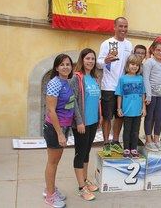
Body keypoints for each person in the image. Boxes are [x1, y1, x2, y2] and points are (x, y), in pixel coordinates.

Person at [96, 17, 133, 157]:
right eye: (120, 26)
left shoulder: (130, 45)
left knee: (120, 116)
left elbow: (132, 63)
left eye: (125, 26)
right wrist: (105, 60)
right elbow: (98, 63)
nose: (123, 29)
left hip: (124, 87)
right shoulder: (107, 43)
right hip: (109, 86)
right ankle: (106, 143)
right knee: (107, 117)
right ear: (114, 27)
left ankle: (116, 141)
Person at [43, 54, 75, 208]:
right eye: (62, 64)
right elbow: (51, 111)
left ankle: (50, 189)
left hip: (64, 126)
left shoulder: (66, 82)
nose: (65, 67)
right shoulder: (54, 83)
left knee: (55, 161)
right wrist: (60, 133)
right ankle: (49, 196)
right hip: (55, 128)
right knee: (52, 162)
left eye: (68, 64)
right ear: (56, 67)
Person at [70, 48, 101, 201]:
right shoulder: (77, 78)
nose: (90, 61)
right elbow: (73, 100)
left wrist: (99, 117)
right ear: (82, 60)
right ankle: (81, 187)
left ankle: (85, 180)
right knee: (80, 153)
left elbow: (97, 100)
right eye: (87, 58)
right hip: (82, 123)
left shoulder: (94, 78)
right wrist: (79, 121)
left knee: (87, 152)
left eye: (93, 59)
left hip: (93, 122)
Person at [115, 54, 146, 158]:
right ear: (128, 65)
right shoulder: (122, 78)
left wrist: (144, 108)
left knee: (135, 131)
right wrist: (119, 108)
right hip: (127, 111)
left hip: (137, 111)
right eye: (132, 64)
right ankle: (126, 149)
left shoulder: (140, 78)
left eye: (137, 65)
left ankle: (134, 148)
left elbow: (142, 94)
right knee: (127, 131)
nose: (134, 66)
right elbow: (120, 94)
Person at [143, 41, 161, 151]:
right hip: (151, 95)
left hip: (160, 95)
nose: (160, 52)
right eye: (158, 50)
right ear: (153, 50)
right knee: (150, 117)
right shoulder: (149, 62)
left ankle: (156, 139)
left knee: (159, 117)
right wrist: (148, 95)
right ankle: (148, 140)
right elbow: (146, 79)